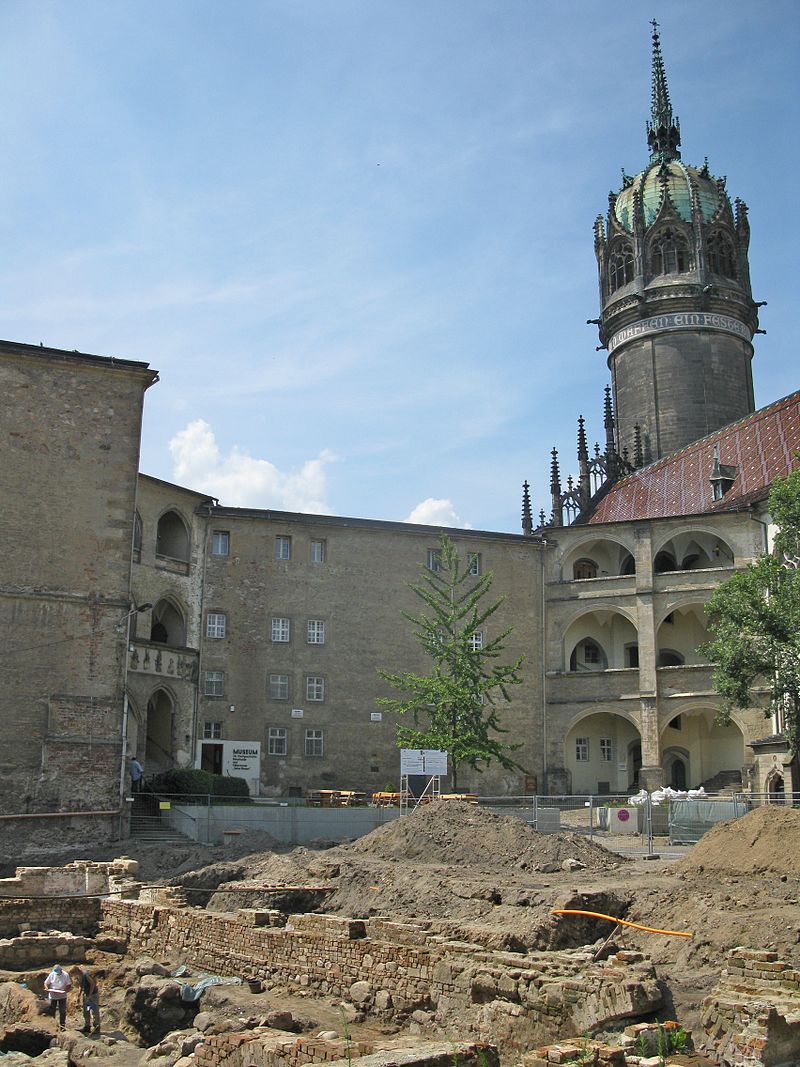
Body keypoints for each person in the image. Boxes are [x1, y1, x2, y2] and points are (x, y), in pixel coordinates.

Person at [71, 965, 100, 1034]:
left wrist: (90, 995)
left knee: (94, 1010)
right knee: (86, 1010)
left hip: (93, 995)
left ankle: (96, 1028)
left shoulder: (86, 974)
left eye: (74, 974)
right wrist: (79, 996)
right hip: (86, 995)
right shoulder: (79, 977)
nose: (74, 976)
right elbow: (81, 986)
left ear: (77, 972)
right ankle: (87, 1026)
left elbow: (92, 984)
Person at [43, 963, 72, 1030]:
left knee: (62, 1011)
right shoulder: (52, 974)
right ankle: (52, 1026)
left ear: (61, 970)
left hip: (62, 995)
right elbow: (46, 983)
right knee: (52, 1011)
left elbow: (69, 985)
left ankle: (62, 1026)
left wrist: (65, 990)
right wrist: (47, 988)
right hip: (53, 995)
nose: (57, 974)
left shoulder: (65, 975)